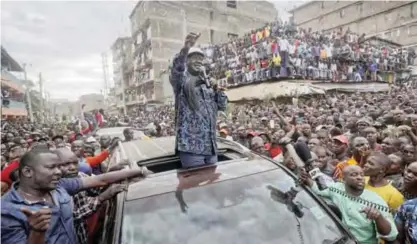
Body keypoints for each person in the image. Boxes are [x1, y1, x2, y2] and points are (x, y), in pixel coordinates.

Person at [1, 148, 148, 244]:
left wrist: (139, 170)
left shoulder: (60, 185)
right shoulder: (6, 211)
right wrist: (37, 232)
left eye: (59, 166)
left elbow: (100, 179)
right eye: (52, 167)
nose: (59, 172)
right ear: (27, 172)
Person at [170, 32, 227, 168]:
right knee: (196, 186)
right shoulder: (182, 81)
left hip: (211, 147)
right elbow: (177, 68)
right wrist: (186, 48)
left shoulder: (208, 84)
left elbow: (223, 105)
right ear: (187, 61)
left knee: (212, 186)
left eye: (201, 59)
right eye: (194, 58)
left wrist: (217, 88)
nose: (198, 61)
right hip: (192, 148)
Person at [300, 165, 398, 243]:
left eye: (361, 174)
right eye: (354, 175)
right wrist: (307, 179)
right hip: (339, 239)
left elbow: (391, 235)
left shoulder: (376, 200)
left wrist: (378, 218)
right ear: (343, 179)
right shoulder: (337, 188)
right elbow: (318, 190)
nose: (360, 177)